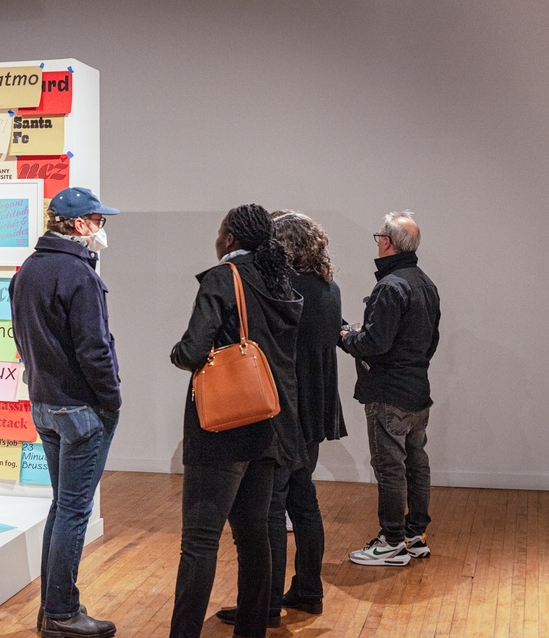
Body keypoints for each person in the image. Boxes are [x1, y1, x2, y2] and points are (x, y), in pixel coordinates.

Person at [169, 204, 304, 638]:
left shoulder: (222, 278)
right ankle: (252, 631)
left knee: (200, 541)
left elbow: (192, 350)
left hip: (222, 429)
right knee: (253, 537)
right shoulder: (278, 281)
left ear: (229, 239)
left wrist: (177, 354)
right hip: (267, 421)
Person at [217, 211, 346, 627]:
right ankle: (308, 590)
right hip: (315, 407)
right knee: (302, 500)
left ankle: (266, 604)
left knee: (271, 505)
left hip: (286, 406)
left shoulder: (286, 289)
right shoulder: (329, 287)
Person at [9, 186, 120, 638]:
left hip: (43, 404)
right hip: (79, 408)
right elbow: (95, 349)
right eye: (98, 220)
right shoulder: (79, 276)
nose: (100, 229)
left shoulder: (28, 270)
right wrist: (111, 399)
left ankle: (51, 609)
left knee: (63, 508)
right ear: (78, 225)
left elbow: (20, 339)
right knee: (74, 511)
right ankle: (61, 612)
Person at [341, 211, 440, 567]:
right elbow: (432, 341)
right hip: (417, 391)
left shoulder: (390, 286)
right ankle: (415, 536)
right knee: (416, 463)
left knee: (390, 467)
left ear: (387, 242)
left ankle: (392, 540)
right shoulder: (424, 283)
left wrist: (346, 337)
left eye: (378, 237)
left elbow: (373, 344)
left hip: (389, 393)